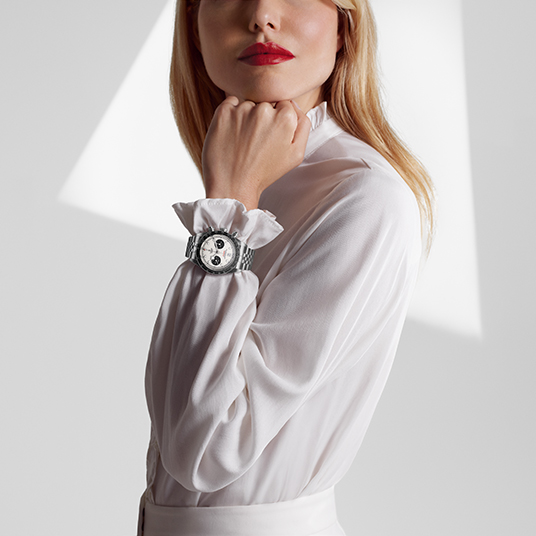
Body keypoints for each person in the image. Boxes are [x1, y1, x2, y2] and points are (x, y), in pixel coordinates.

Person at [137, 0, 434, 535]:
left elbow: (204, 449)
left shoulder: (363, 197)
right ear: (194, 26)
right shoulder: (256, 180)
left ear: (344, 26)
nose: (261, 15)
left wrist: (229, 206)